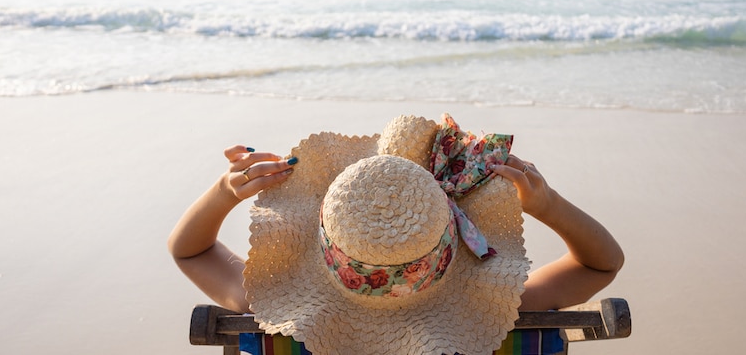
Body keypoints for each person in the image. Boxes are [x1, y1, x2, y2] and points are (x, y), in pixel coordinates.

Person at [168, 123, 624, 315]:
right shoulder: (499, 311)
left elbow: (188, 250)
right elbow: (601, 263)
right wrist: (548, 206)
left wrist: (224, 192)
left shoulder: (266, 308)